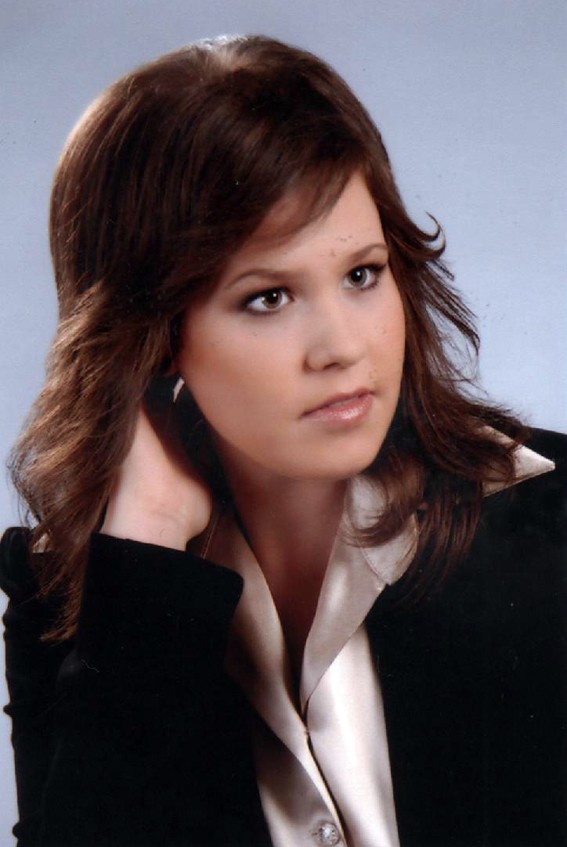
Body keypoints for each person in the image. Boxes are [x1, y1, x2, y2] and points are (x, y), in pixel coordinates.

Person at [1, 34, 565, 847]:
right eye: (268, 297)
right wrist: (149, 540)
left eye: (362, 274)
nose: (341, 346)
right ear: (150, 335)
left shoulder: (549, 521)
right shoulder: (76, 595)